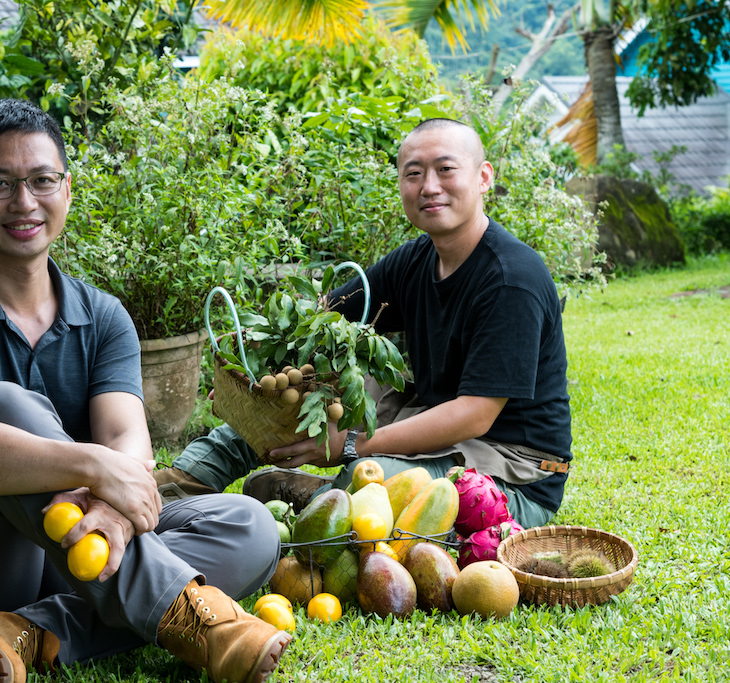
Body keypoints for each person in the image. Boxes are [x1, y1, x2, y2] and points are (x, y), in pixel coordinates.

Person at [0, 98, 291, 683]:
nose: (24, 202)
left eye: (41, 180)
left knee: (250, 526)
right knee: (1, 404)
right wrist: (92, 465)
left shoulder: (103, 316)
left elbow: (128, 440)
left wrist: (117, 517)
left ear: (66, 188)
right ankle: (192, 617)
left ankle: (21, 632)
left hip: (71, 547)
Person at [155, 118, 572, 530]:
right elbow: (322, 318)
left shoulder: (511, 278)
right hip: (428, 416)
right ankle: (167, 493)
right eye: (414, 173)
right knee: (287, 406)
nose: (429, 186)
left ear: (483, 178)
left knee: (367, 484)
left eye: (446, 169)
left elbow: (474, 415)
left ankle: (310, 498)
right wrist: (252, 372)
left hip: (513, 471)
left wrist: (350, 444)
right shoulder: (415, 260)